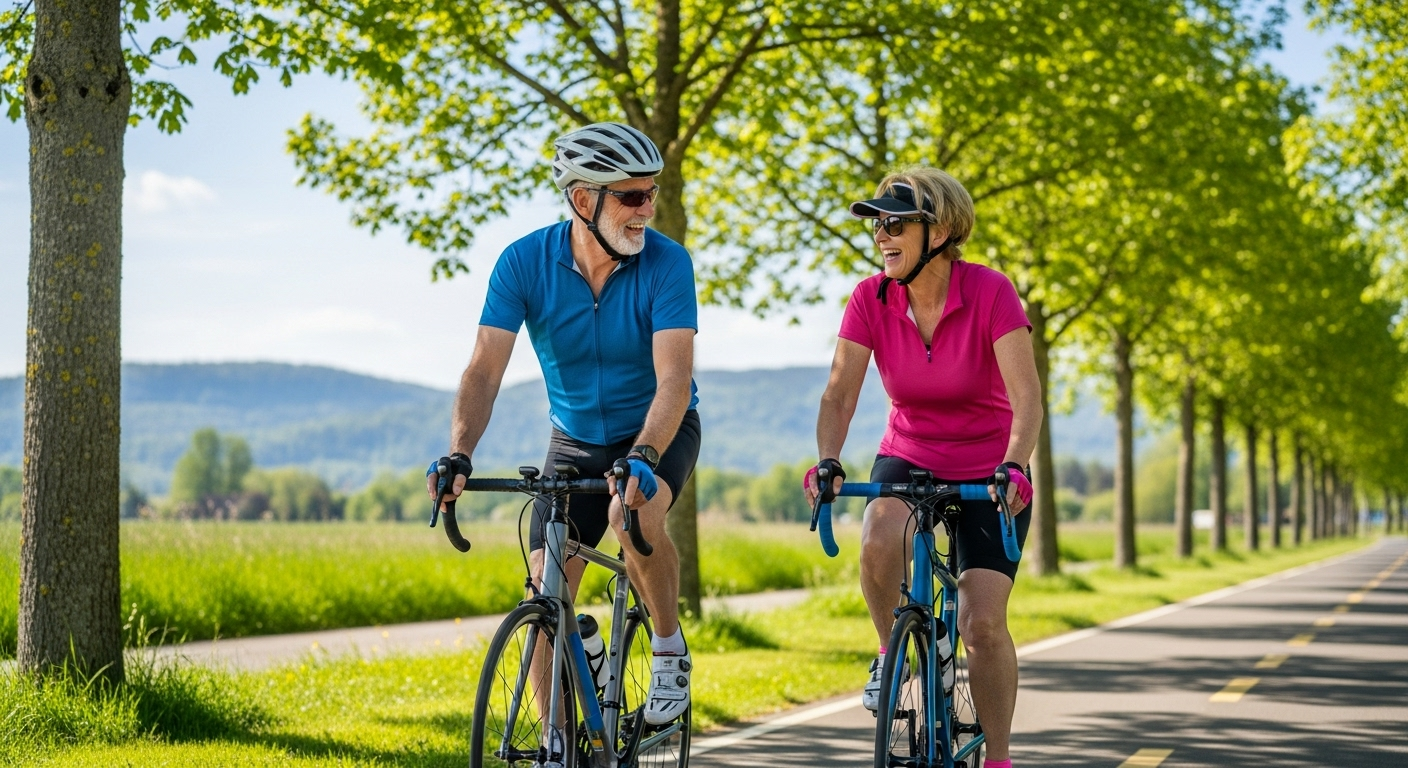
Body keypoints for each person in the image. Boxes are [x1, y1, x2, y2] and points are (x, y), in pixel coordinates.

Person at [428, 122, 701, 763]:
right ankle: (557, 741)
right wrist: (460, 452)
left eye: (652, 193)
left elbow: (673, 380)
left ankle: (668, 650)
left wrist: (643, 456)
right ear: (584, 200)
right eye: (631, 196)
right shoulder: (524, 262)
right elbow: (483, 370)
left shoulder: (668, 262)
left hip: (658, 428)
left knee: (633, 513)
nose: (647, 208)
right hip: (574, 437)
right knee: (544, 588)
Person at [803, 167, 1042, 768]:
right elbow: (839, 394)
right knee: (879, 533)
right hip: (909, 454)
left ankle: (999, 758)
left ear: (938, 232)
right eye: (877, 225)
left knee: (982, 625)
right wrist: (828, 458)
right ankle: (895, 653)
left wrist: (1015, 465)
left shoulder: (991, 291)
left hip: (991, 470)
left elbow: (1028, 399)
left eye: (894, 223)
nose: (881, 235)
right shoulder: (870, 297)